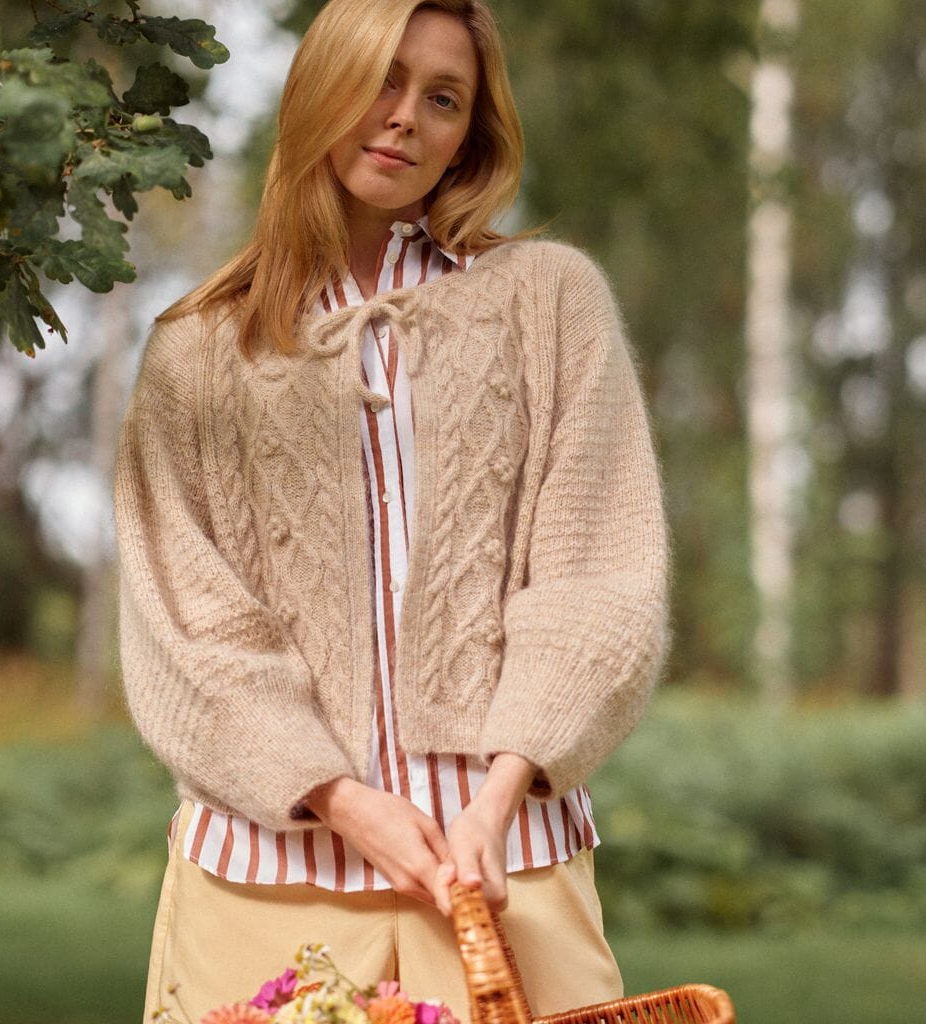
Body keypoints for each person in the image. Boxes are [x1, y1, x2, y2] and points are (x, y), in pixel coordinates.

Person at [114, 1, 669, 1021]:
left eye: (443, 97)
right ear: (317, 86)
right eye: (381, 78)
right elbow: (186, 625)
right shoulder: (197, 349)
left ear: (472, 134)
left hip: (502, 874)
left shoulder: (551, 301)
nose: (404, 116)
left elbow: (597, 572)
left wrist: (492, 801)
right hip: (261, 881)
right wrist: (343, 800)